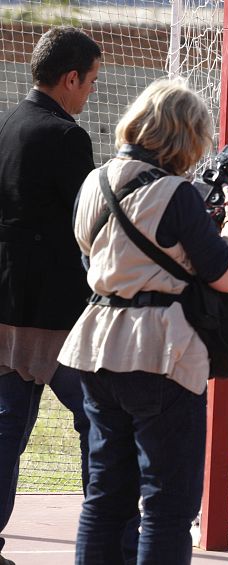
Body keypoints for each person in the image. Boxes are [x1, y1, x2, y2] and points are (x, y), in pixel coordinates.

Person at [56, 78, 228, 564]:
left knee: (105, 495)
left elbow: (93, 261)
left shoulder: (94, 182)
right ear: (183, 135)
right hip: (160, 351)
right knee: (168, 502)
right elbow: (225, 275)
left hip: (97, 344)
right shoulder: (176, 193)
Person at [0, 26, 101, 565]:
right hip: (56, 316)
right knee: (101, 422)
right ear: (69, 79)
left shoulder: (11, 122)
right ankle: (104, 540)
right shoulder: (66, 138)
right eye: (89, 83)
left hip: (8, 307)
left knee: (7, 428)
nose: (88, 94)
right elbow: (92, 221)